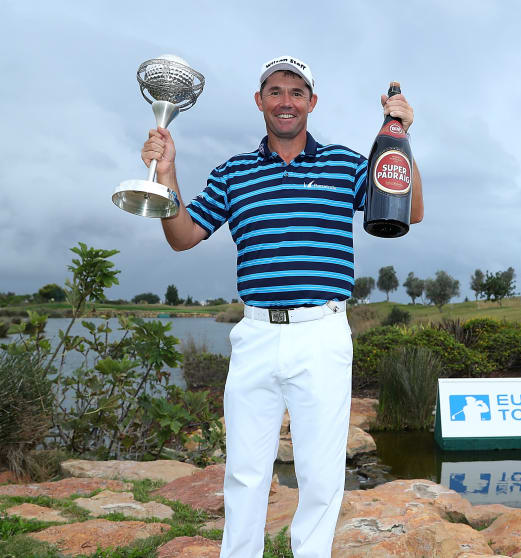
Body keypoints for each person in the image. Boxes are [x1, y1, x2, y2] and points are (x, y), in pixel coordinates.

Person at [141, 55, 423, 558]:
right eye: (275, 91)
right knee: (245, 471)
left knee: (319, 473)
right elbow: (182, 237)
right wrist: (167, 174)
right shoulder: (234, 173)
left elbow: (412, 209)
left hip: (322, 332)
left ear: (312, 102)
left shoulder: (345, 163)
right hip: (256, 334)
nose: (285, 101)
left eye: (296, 92)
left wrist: (400, 136)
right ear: (259, 102)